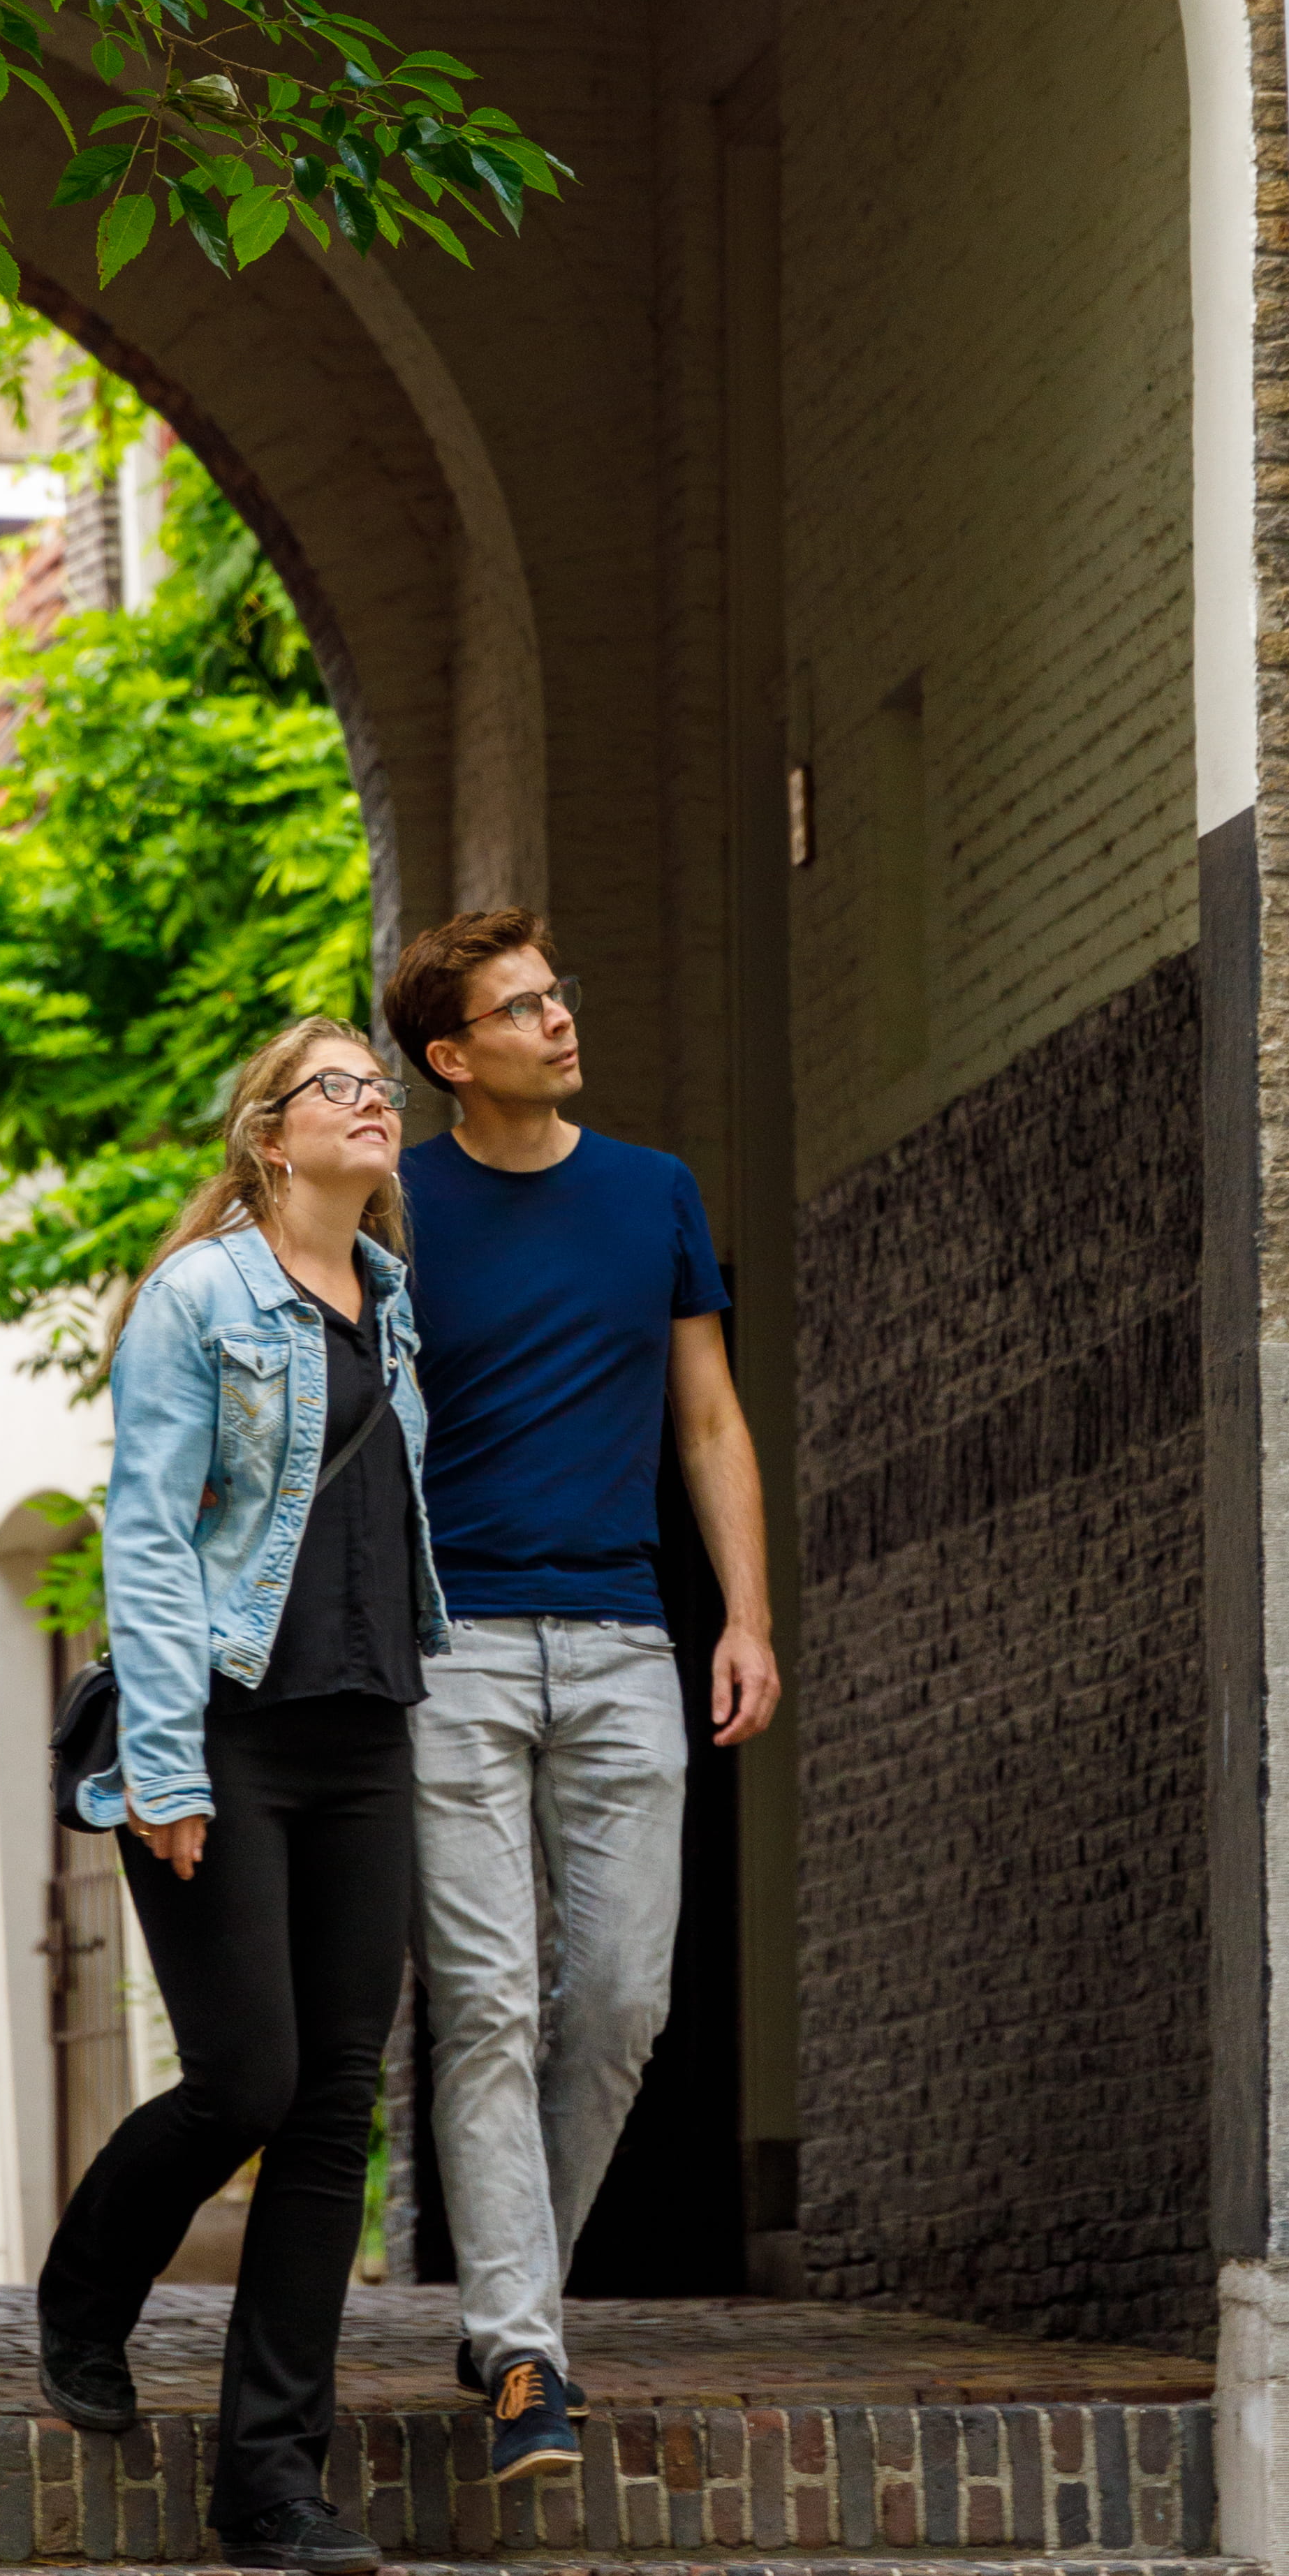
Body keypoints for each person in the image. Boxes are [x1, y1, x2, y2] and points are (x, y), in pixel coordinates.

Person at [33, 1016, 449, 2570]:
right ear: (269, 1137)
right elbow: (144, 1535)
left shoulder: (393, 1305)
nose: (374, 1107)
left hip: (362, 1735)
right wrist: (160, 1760)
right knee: (246, 2082)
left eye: (381, 1090)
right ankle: (86, 2292)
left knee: (337, 2109)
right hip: (222, 1729)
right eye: (343, 1088)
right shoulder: (197, 1300)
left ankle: (270, 2477)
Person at [381, 908, 783, 2493]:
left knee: (619, 2004)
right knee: (485, 2000)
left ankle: (508, 2312)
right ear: (447, 1055)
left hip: (624, 1641)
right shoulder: (393, 1207)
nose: (557, 1022)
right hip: (452, 1652)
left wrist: (740, 1616)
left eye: (557, 994)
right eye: (520, 1007)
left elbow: (707, 1420)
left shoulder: (653, 1196)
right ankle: (525, 2351)